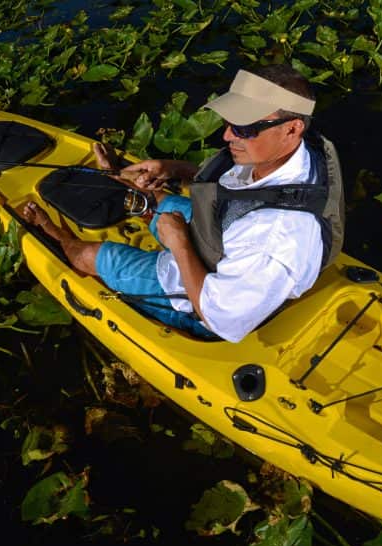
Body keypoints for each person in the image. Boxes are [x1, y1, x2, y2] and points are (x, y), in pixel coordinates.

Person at [21, 64, 345, 342]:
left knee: (91, 255)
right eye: (230, 122)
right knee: (156, 195)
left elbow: (221, 319)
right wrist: (174, 170)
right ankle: (117, 178)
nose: (228, 136)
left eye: (245, 127)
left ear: (292, 128)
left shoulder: (279, 236)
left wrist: (178, 243)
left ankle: (52, 231)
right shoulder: (293, 154)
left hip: (199, 304)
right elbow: (230, 186)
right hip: (225, 237)